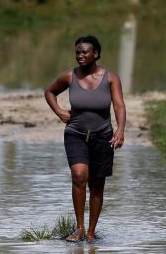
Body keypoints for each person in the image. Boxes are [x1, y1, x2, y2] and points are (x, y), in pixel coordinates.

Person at [44, 35, 126, 243]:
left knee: (97, 185)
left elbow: (119, 105)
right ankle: (79, 228)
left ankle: (91, 233)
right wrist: (59, 112)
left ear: (96, 54)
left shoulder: (110, 77)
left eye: (85, 52)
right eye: (77, 52)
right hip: (76, 134)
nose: (80, 56)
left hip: (103, 137)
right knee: (79, 175)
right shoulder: (69, 77)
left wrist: (120, 130)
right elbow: (49, 92)